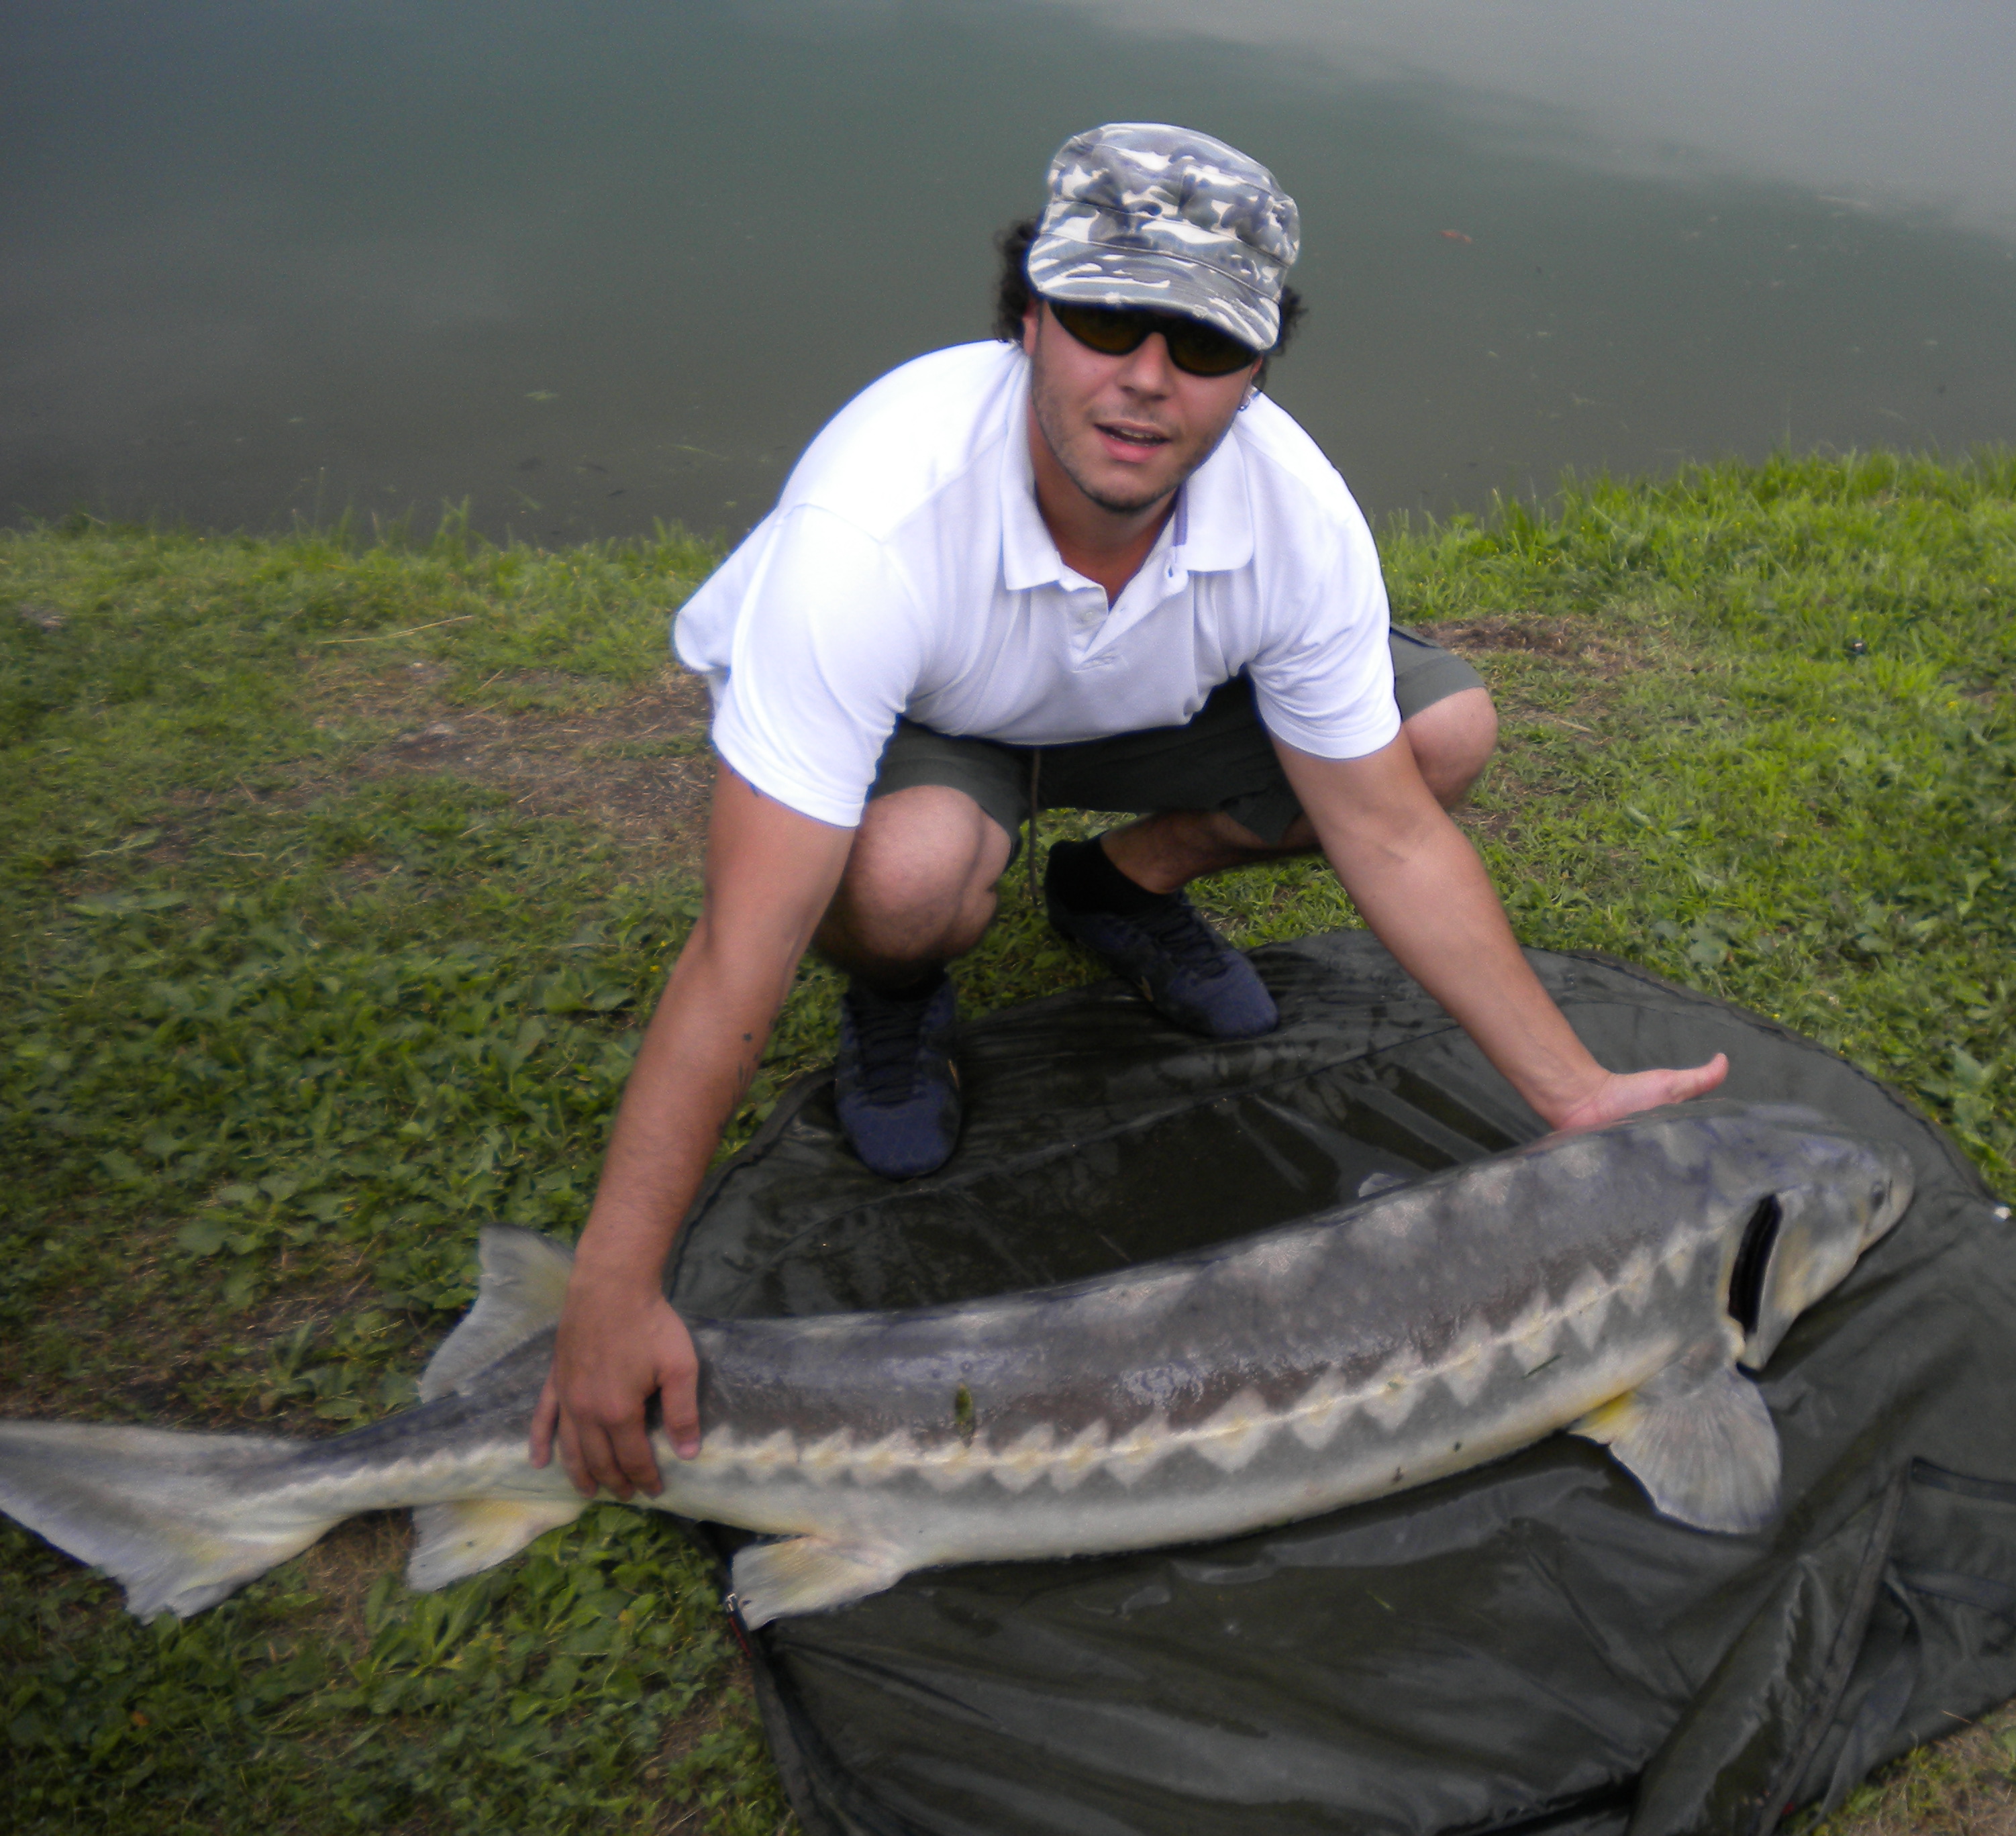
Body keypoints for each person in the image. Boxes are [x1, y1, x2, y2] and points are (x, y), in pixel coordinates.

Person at [529, 123, 1727, 1501]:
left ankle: (1122, 885)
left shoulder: (1294, 512)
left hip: (1148, 704)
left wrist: (1574, 1095)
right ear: (1029, 318)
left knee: (1438, 734)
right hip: (943, 714)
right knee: (908, 878)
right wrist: (616, 1287)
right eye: (1107, 320)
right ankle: (900, 997)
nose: (1148, 379)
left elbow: (1392, 833)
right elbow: (742, 943)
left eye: (1205, 343)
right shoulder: (872, 526)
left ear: (1256, 368)